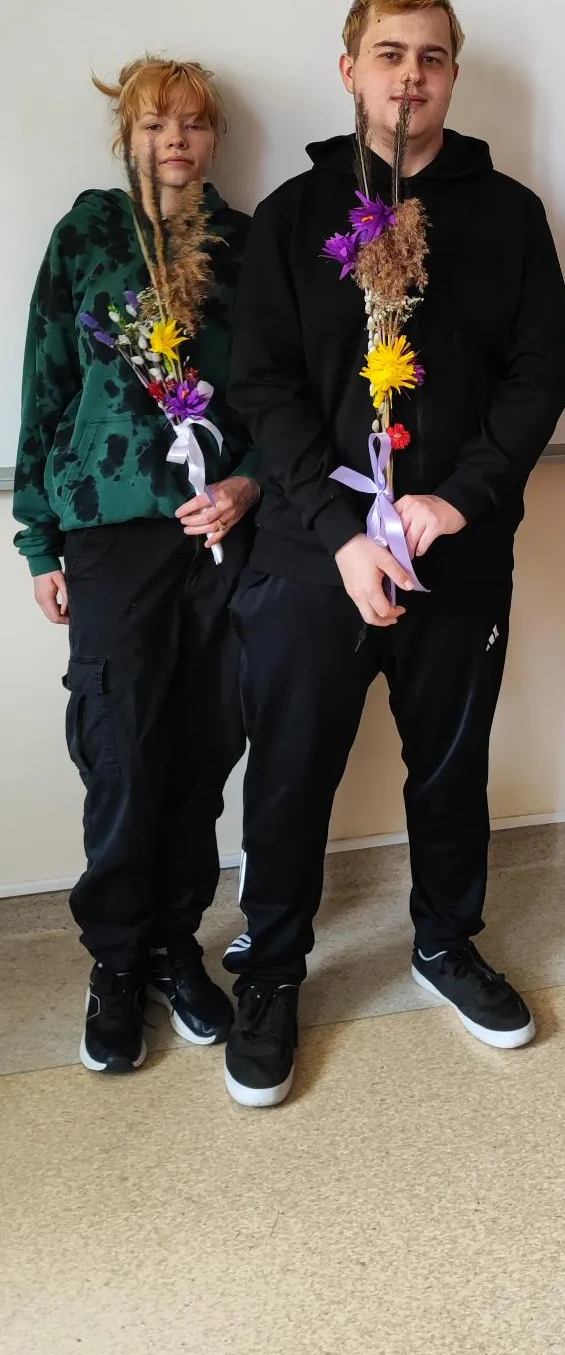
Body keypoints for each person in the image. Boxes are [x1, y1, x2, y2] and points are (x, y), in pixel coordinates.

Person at [224, 0, 565, 1107]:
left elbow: (540, 375)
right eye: (389, 54)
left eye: (430, 56)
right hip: (311, 550)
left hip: (453, 549)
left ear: (453, 75)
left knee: (452, 762)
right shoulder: (293, 214)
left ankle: (444, 940)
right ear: (350, 71)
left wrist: (458, 499)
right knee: (290, 767)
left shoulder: (509, 215)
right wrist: (339, 534)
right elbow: (263, 385)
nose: (409, 76)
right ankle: (272, 969)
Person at [13, 58, 260, 1075]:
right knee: (120, 747)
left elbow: (277, 390)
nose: (176, 140)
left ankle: (173, 944)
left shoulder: (247, 245)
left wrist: (246, 483)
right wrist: (38, 537)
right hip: (110, 532)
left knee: (204, 743)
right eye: (157, 123)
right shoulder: (86, 235)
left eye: (194, 124)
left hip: (217, 536)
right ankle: (115, 960)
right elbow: (44, 383)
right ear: (128, 134)